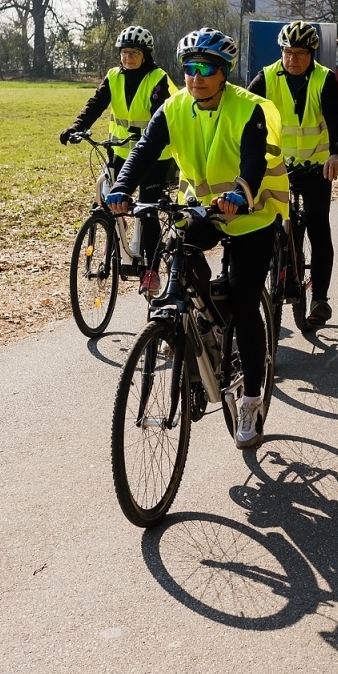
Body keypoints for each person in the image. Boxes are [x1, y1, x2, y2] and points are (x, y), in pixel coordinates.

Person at [106, 28, 288, 450]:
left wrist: (240, 194)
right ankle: (194, 334)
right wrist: (121, 188)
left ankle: (251, 398)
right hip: (200, 209)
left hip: (252, 215)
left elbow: (253, 162)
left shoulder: (249, 110)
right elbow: (144, 151)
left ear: (223, 73)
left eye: (205, 68)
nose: (195, 76)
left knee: (244, 301)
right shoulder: (174, 108)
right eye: (189, 68)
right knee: (180, 265)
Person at [247, 20, 338, 326]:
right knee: (267, 226)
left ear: (312, 54)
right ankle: (274, 279)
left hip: (316, 167)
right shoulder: (266, 77)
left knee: (318, 226)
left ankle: (319, 298)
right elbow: (243, 114)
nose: (293, 59)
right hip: (278, 167)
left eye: (300, 53)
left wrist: (337, 152)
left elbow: (336, 121)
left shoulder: (324, 80)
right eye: (288, 52)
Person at [60, 25, 177, 287]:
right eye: (124, 53)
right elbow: (96, 104)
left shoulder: (157, 79)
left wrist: (152, 138)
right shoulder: (114, 77)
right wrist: (76, 128)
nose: (127, 58)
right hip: (120, 151)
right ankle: (113, 240)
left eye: (133, 52)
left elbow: (163, 114)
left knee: (147, 211)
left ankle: (152, 272)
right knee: (107, 199)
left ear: (145, 54)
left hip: (154, 156)